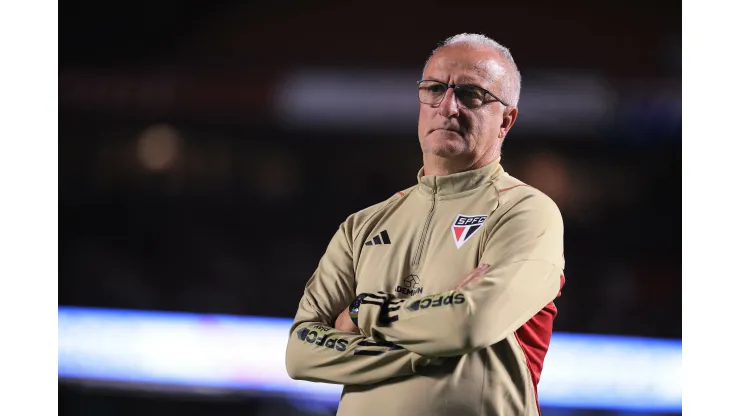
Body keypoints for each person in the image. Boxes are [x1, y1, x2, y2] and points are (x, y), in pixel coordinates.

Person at [285, 33, 566, 416]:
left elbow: (471, 324)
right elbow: (301, 352)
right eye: (434, 88)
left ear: (506, 119)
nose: (448, 106)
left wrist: (359, 314)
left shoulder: (526, 212)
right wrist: (428, 350)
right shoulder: (362, 225)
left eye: (472, 94)